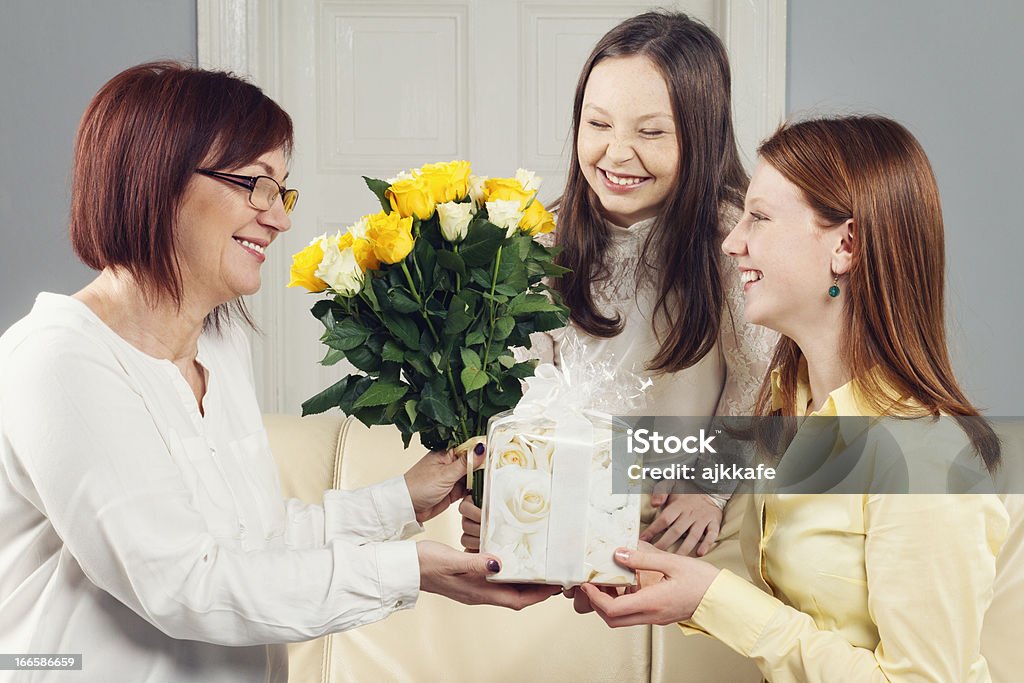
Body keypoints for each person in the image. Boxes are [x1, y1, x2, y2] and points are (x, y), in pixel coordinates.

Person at [0, 62, 556, 682]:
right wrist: (410, 570)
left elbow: (250, 539)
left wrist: (400, 501)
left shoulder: (220, 341)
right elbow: (187, 583)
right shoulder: (58, 362)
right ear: (154, 180)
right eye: (255, 185)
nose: (280, 217)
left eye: (281, 190)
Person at [575, 115, 1012, 681]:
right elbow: (803, 619)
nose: (733, 243)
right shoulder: (792, 407)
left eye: (758, 218)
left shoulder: (923, 456)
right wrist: (659, 578)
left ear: (846, 246)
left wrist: (714, 600)